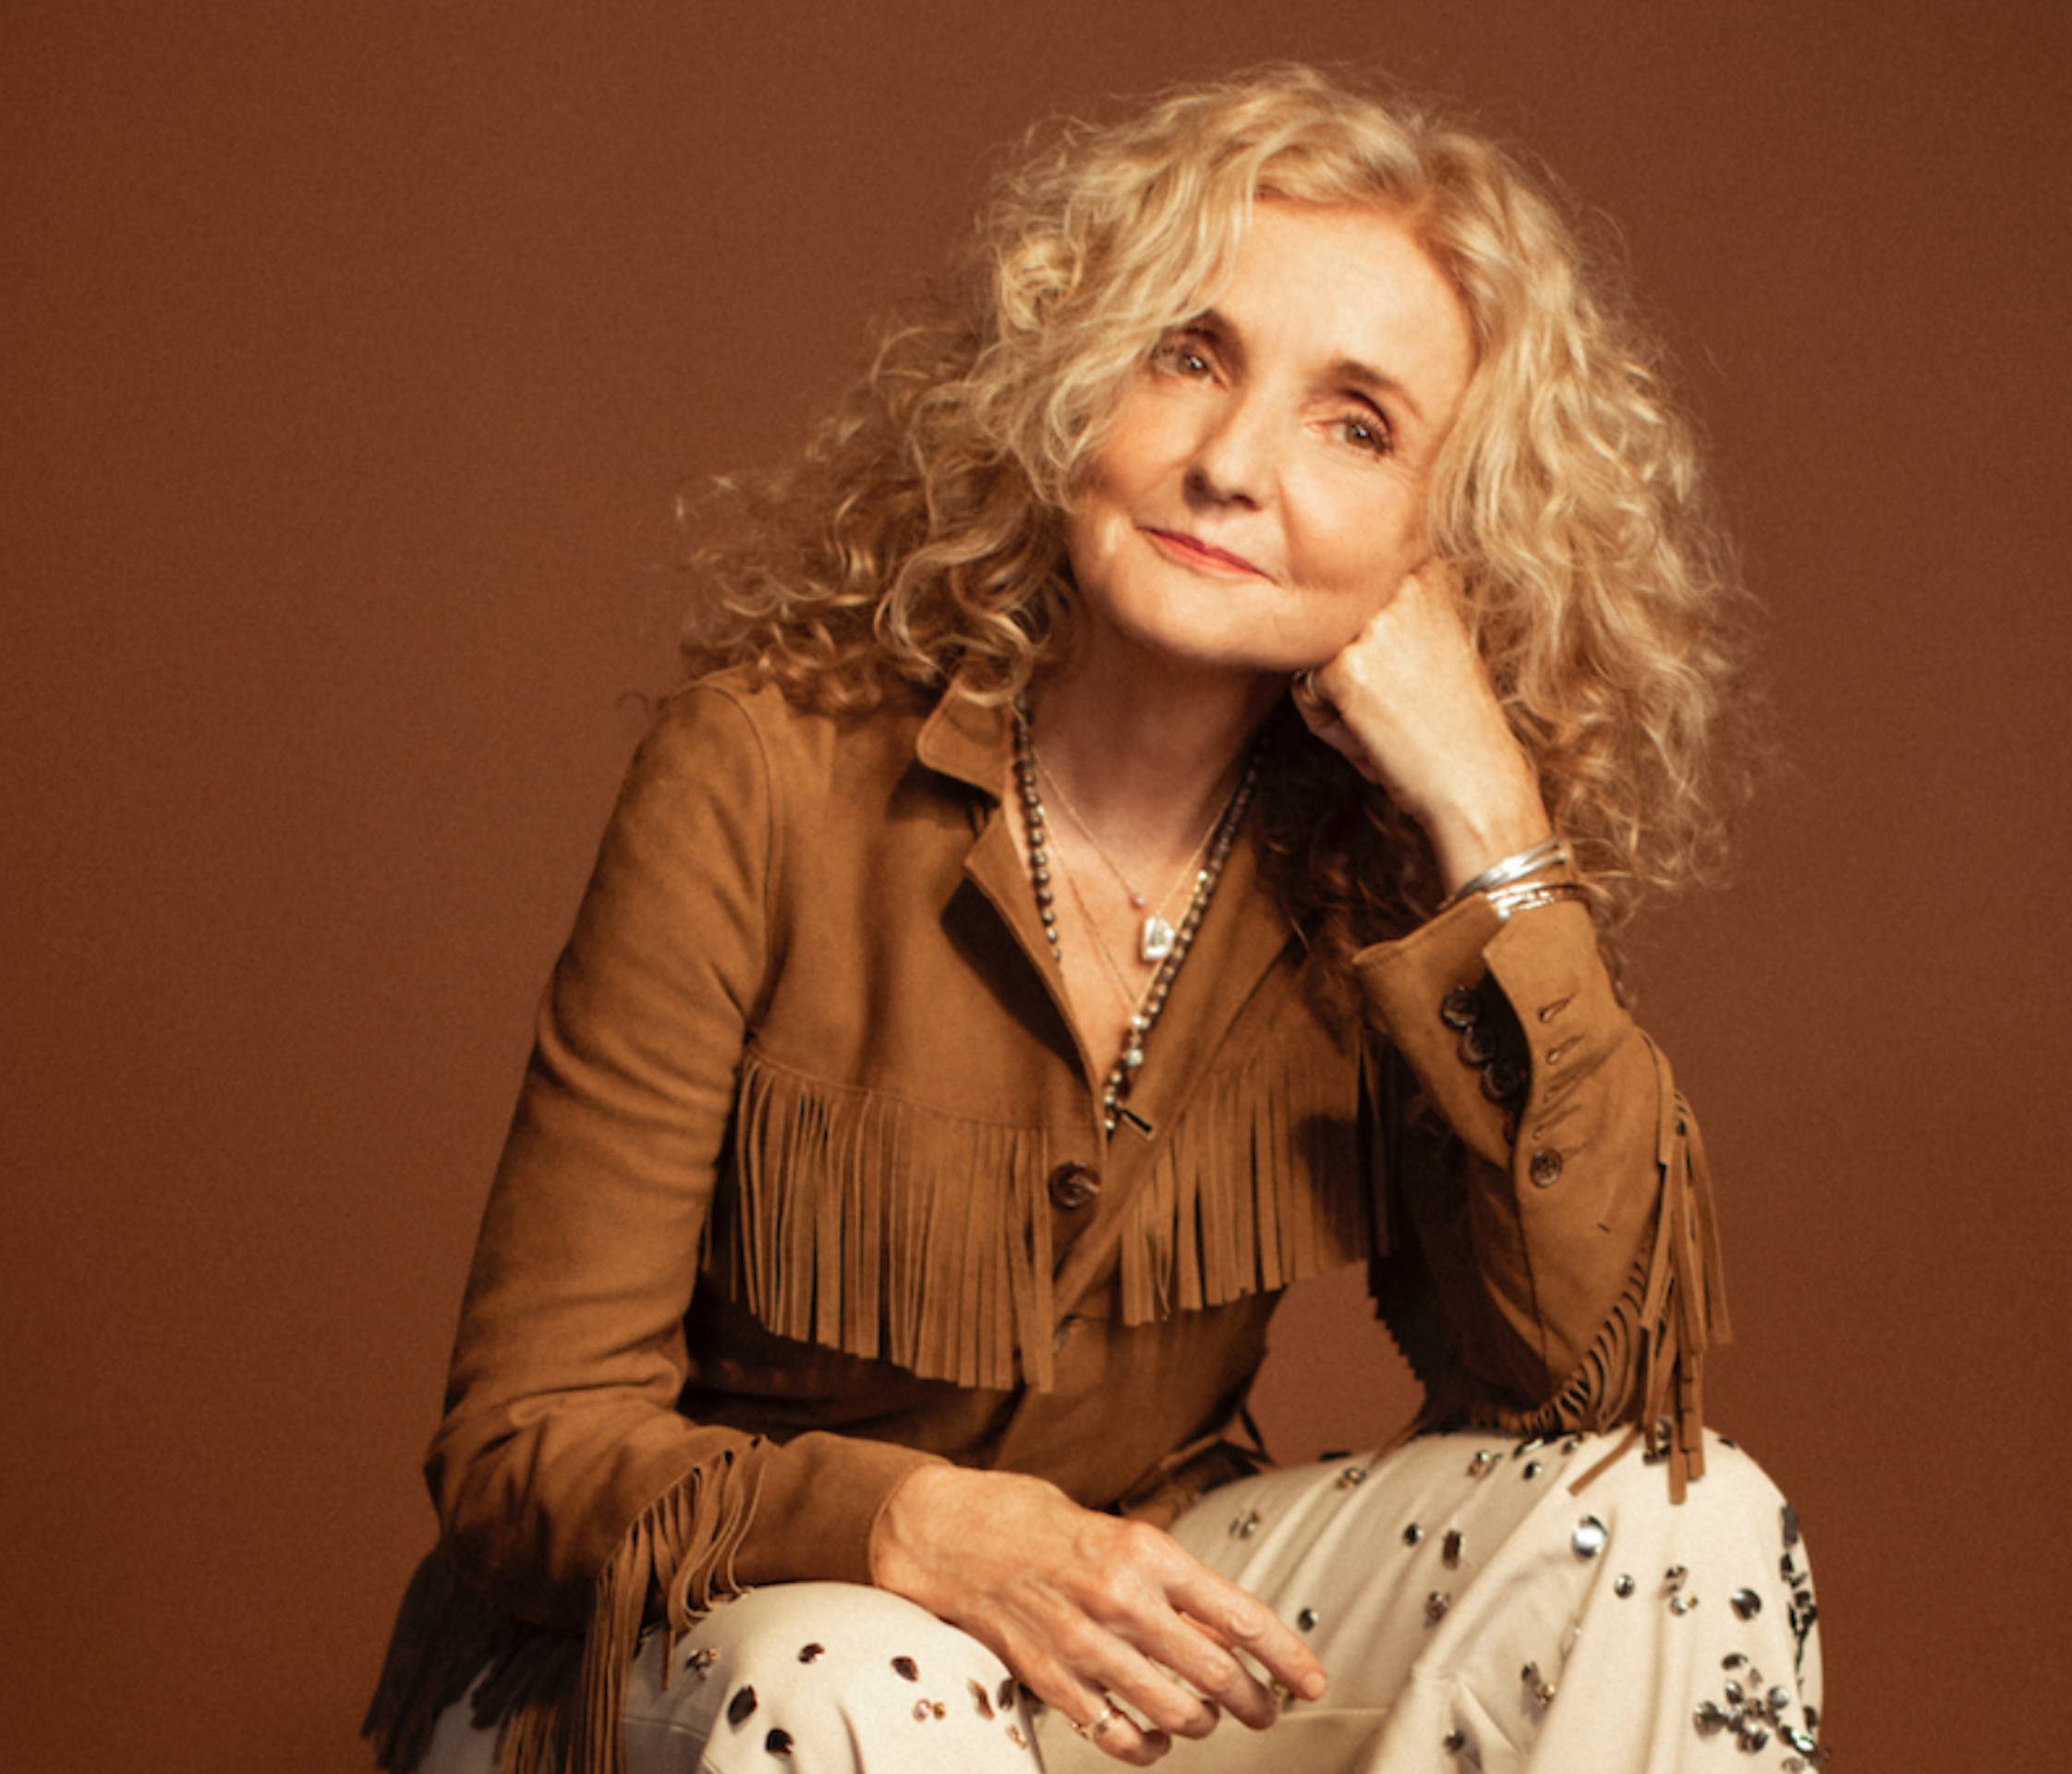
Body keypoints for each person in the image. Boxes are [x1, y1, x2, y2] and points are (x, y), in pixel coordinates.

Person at [367, 63, 1824, 1774]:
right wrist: (905, 1524)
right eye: (1188, 356)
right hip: (702, 1651)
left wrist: (1496, 835)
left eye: (1355, 427)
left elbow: (1586, 1400)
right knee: (861, 1671)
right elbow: (522, 1445)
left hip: (1113, 1650)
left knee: (1682, 1523)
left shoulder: (1377, 869)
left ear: (1450, 539)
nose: (1230, 465)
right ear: (1070, 372)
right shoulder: (760, 769)